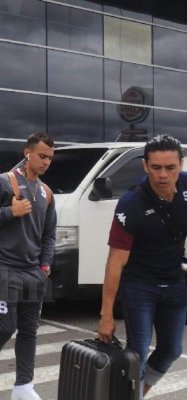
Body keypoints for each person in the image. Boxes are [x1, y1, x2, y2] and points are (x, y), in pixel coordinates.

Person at [97, 134, 187, 399]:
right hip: (140, 286)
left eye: (170, 167)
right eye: (156, 167)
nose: (163, 174)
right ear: (145, 166)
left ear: (180, 165)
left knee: (171, 350)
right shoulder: (131, 203)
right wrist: (106, 315)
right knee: (137, 354)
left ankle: (136, 394)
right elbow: (115, 261)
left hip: (175, 283)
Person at [0, 132, 56, 400]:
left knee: (30, 330)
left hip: (33, 270)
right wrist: (11, 212)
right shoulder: (3, 182)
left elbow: (49, 234)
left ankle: (23, 386)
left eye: (50, 158)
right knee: (6, 326)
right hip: (1, 265)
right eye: (41, 156)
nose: (45, 162)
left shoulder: (46, 193)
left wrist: (45, 265)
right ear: (27, 153)